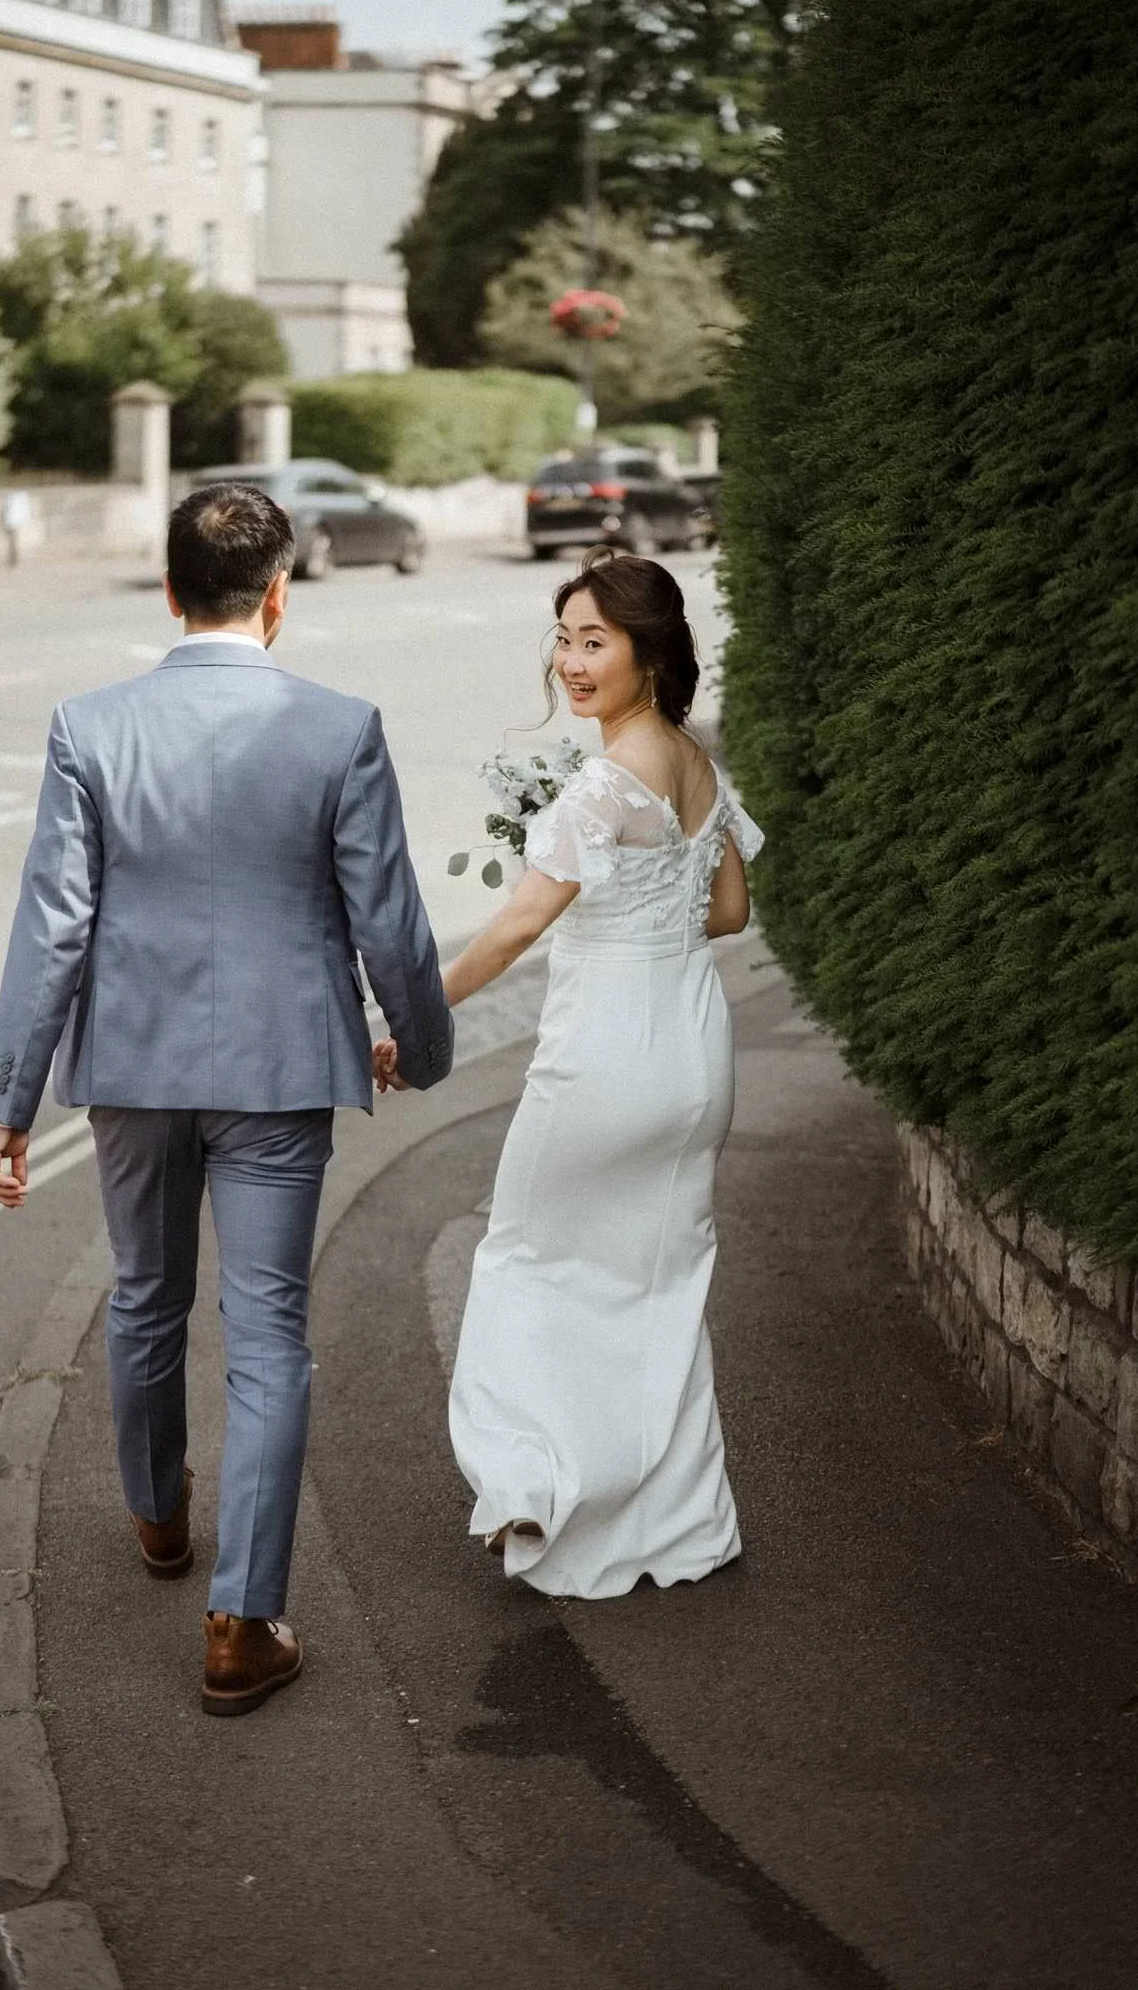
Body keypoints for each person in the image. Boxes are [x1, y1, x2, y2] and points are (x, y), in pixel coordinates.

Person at [0, 483, 452, 1714]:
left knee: (143, 1296)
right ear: (279, 596)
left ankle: (154, 1517)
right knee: (270, 1336)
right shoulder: (340, 728)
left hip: (132, 1069)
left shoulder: (91, 725)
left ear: (171, 589)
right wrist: (424, 1041)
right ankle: (241, 1623)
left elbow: (51, 931)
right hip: (282, 1072)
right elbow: (387, 918)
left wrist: (8, 1101)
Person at [377, 545, 763, 1598]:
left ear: (650, 650)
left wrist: (414, 1019)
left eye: (596, 639)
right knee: (658, 1283)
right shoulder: (693, 761)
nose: (572, 660)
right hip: (692, 1054)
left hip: (605, 1059)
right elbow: (729, 911)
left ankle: (541, 1487)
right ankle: (674, 1515)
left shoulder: (598, 785)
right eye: (564, 636)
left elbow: (514, 928)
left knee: (528, 1262)